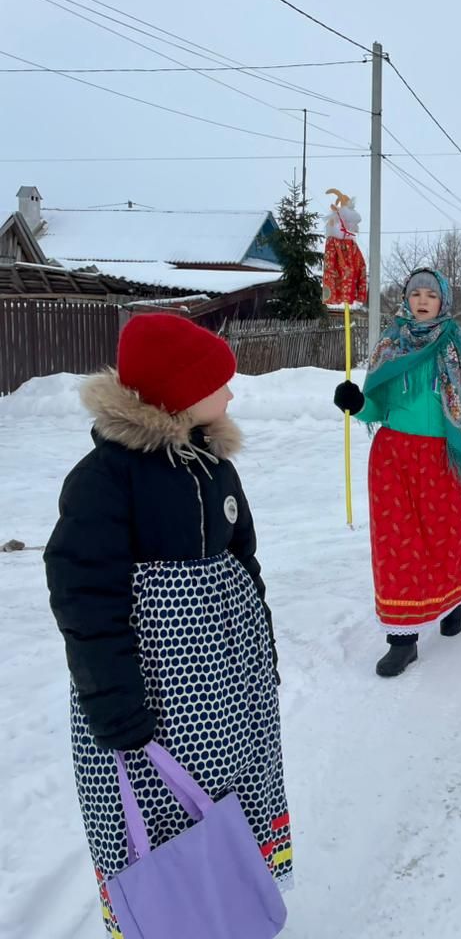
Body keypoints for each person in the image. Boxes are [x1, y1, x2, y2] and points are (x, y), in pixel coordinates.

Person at [44, 314, 291, 936]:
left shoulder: (214, 466)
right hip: (156, 701)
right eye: (219, 382)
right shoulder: (104, 481)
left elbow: (245, 559)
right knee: (165, 824)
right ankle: (173, 918)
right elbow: (85, 599)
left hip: (232, 696)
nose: (232, 394)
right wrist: (114, 702)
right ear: (175, 393)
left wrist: (261, 649)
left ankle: (231, 907)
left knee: (229, 813)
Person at [333, 268, 461, 677]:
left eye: (431, 294)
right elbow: (375, 407)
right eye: (415, 294)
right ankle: (402, 640)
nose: (422, 300)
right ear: (405, 300)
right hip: (394, 458)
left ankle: (453, 600)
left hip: (446, 457)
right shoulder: (390, 345)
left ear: (445, 301)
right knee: (397, 545)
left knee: (447, 537)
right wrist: (354, 403)